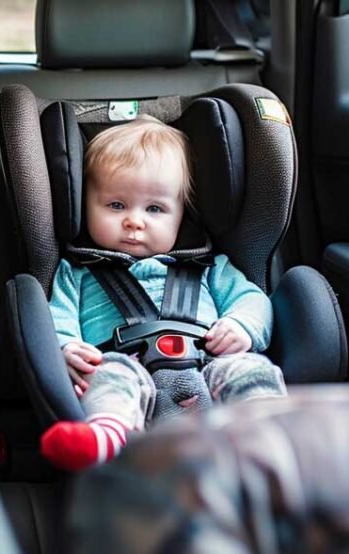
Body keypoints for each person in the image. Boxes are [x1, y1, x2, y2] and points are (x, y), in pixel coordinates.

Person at [39, 115, 287, 471]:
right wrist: (66, 346)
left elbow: (253, 301)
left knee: (250, 369)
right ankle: (108, 436)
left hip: (210, 364)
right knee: (108, 381)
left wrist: (241, 326)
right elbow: (54, 314)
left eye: (154, 209)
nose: (134, 221)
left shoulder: (209, 267)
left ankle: (272, 434)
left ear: (181, 214)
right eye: (116, 205)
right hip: (126, 364)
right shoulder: (77, 271)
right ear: (85, 206)